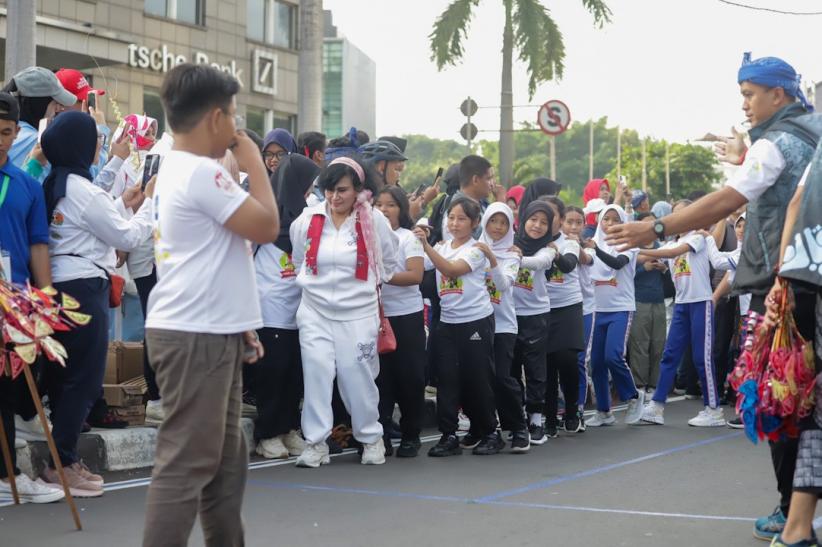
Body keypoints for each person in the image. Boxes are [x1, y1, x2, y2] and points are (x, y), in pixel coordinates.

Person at [605, 52, 820, 542]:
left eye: (749, 95)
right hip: (810, 276)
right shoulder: (809, 134)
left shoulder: (776, 145)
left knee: (784, 397)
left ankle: (793, 515)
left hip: (783, 285)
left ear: (778, 95)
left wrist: (654, 226)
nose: (744, 105)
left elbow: (732, 198)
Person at [141, 63, 278, 547]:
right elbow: (265, 226)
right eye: (235, 116)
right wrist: (255, 161)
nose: (237, 127)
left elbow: (214, 254)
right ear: (216, 117)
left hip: (208, 327)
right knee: (188, 464)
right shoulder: (200, 172)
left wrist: (239, 322)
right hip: (193, 332)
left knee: (223, 463)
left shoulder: (179, 167)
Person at [37, 111, 154, 497]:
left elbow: (91, 220)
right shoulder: (79, 189)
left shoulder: (58, 182)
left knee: (65, 377)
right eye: (96, 140)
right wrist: (148, 204)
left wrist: (125, 203)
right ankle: (62, 462)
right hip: (84, 287)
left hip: (63, 284)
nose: (100, 145)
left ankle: (64, 457)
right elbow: (125, 235)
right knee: (84, 379)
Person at [289, 156, 399, 468]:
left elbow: (389, 262)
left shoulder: (373, 220)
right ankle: (315, 443)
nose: (335, 197)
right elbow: (299, 260)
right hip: (314, 312)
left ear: (358, 190)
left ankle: (370, 436)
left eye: (342, 190)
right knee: (316, 375)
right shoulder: (307, 220)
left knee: (357, 377)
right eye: (329, 190)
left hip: (359, 313)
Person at [0, 91, 65, 504]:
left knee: (7, 390)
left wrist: (46, 300)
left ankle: (6, 478)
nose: (0, 140)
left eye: (6, 132)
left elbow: (39, 244)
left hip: (14, 304)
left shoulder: (25, 184)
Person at [415, 196, 500, 457]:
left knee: (478, 378)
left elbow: (451, 270)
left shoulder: (477, 249)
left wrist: (427, 246)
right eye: (451, 217)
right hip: (448, 322)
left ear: (474, 223)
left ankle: (490, 432)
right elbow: (421, 262)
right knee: (447, 380)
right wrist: (415, 235)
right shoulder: (442, 245)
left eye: (461, 219)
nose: (454, 223)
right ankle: (449, 435)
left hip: (475, 320)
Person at [252, 154, 319, 459]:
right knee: (273, 374)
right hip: (270, 309)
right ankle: (267, 433)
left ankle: (289, 428)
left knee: (295, 374)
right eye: (306, 189)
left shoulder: (308, 222)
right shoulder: (264, 220)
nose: (310, 195)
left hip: (299, 310)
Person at [637, 200, 725, 427]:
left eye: (682, 215)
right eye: (674, 216)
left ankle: (713, 410)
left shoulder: (698, 237)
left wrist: (638, 248)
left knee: (701, 358)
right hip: (682, 305)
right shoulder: (671, 241)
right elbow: (665, 257)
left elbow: (675, 252)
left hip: (700, 303)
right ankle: (656, 406)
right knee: (670, 355)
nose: (677, 220)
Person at [373, 186, 427, 458]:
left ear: (401, 209)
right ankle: (380, 436)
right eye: (378, 205)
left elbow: (415, 275)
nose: (383, 210)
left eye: (390, 205)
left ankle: (410, 435)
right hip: (374, 317)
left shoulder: (409, 238)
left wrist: (381, 275)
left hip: (406, 317)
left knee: (410, 378)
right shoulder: (365, 238)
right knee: (380, 380)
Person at [476, 202, 530, 452]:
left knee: (502, 377)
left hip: (503, 325)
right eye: (493, 221)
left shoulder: (512, 254)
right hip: (476, 322)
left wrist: (491, 257)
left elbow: (503, 285)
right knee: (480, 379)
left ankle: (519, 427)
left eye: (503, 223)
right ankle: (487, 430)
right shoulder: (472, 249)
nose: (497, 227)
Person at [585, 204, 645, 427]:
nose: (610, 224)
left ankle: (635, 396)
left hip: (620, 308)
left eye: (615, 219)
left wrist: (597, 250)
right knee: (597, 364)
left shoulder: (627, 245)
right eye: (606, 219)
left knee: (613, 356)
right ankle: (604, 411)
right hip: (596, 310)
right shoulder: (592, 245)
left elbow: (617, 263)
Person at [510, 201, 557, 443]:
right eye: (533, 219)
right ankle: (517, 419)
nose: (537, 226)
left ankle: (536, 420)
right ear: (523, 220)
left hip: (536, 315)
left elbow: (539, 263)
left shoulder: (549, 249)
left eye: (543, 222)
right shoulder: (509, 244)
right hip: (508, 315)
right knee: (511, 368)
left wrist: (514, 258)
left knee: (535, 369)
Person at [542, 196, 584, 435]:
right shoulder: (531, 241)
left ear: (560, 219)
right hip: (541, 309)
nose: (545, 220)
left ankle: (571, 410)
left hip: (568, 306)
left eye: (552, 215)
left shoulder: (568, 242)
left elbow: (569, 264)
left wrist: (555, 254)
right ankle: (548, 418)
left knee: (567, 360)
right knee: (546, 366)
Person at [3, 66, 76, 169]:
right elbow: (79, 177)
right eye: (54, 103)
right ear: (38, 105)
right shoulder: (37, 144)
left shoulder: (11, 135)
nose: (58, 109)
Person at [563, 205, 595, 429]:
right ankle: (562, 407)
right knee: (559, 361)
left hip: (585, 310)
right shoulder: (554, 245)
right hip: (561, 309)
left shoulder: (590, 248)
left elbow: (584, 259)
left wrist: (573, 244)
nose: (574, 226)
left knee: (579, 360)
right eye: (569, 222)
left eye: (578, 222)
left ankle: (579, 410)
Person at [629, 212, 667, 392]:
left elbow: (672, 277)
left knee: (658, 344)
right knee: (639, 345)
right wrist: (643, 268)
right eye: (645, 223)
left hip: (659, 301)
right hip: (639, 301)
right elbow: (624, 276)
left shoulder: (661, 246)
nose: (649, 226)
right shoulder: (633, 247)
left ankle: (655, 385)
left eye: (653, 223)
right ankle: (640, 384)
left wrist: (664, 269)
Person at [440, 155, 494, 241]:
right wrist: (501, 202)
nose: (492, 183)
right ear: (475, 180)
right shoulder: (457, 210)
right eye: (488, 178)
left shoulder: (480, 204)